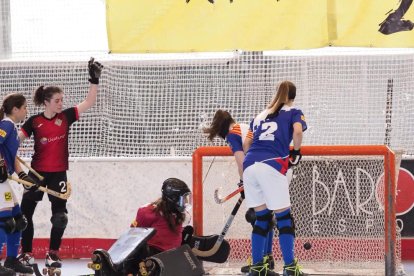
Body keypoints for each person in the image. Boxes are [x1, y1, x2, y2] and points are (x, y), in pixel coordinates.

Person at [17, 58, 103, 269]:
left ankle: (53, 254)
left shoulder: (65, 117)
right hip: (36, 174)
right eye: (57, 100)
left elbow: (88, 102)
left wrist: (94, 80)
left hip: (58, 175)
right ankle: (26, 254)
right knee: (25, 215)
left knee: (60, 217)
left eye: (62, 100)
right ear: (46, 102)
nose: (61, 103)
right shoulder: (34, 122)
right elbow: (16, 140)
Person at [242, 80, 307, 276]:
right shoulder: (293, 111)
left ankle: (257, 267)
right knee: (284, 219)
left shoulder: (260, 115)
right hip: (272, 164)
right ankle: (290, 268)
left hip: (249, 165)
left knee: (261, 219)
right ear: (293, 98)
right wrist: (296, 151)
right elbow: (297, 131)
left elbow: (247, 143)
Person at [203, 110, 258, 273]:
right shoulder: (243, 126)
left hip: (256, 174)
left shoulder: (232, 134)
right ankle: (266, 258)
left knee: (256, 218)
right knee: (264, 217)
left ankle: (258, 261)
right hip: (270, 169)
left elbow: (242, 162)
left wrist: (244, 182)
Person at [0, 93, 34, 275]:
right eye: (25, 107)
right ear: (15, 109)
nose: (26, 110)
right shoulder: (6, 124)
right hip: (0, 182)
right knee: (6, 221)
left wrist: (23, 175)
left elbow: (11, 157)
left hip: (4, 180)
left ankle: (12, 260)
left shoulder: (11, 126)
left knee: (19, 221)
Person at [127, 178, 191, 275]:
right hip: (152, 260)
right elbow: (133, 236)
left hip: (172, 259)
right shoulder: (148, 212)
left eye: (187, 198)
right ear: (172, 199)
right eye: (183, 199)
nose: (185, 202)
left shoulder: (179, 214)